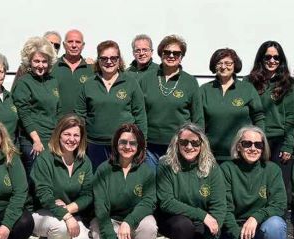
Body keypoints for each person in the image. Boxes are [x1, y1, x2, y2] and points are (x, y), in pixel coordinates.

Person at [219, 126, 289, 239]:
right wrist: (239, 238)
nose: (253, 148)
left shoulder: (272, 170)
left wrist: (256, 217)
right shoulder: (227, 169)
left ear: (264, 148)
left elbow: (280, 204)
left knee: (277, 223)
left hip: (257, 228)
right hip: (232, 229)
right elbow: (224, 209)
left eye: (258, 144)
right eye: (247, 143)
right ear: (238, 146)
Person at [155, 123, 227, 239]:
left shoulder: (212, 167)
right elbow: (166, 202)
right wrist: (202, 215)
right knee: (183, 225)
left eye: (195, 142)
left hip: (201, 223)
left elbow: (219, 207)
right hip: (172, 219)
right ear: (177, 143)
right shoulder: (165, 164)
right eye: (184, 142)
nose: (189, 146)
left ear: (202, 144)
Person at [91, 123, 158, 239]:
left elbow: (149, 202)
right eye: (123, 142)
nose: (127, 146)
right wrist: (110, 237)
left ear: (139, 146)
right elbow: (100, 206)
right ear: (116, 144)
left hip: (134, 220)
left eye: (132, 143)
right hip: (110, 220)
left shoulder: (146, 171)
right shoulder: (103, 169)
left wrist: (129, 222)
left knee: (150, 225)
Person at [29, 114, 94, 239]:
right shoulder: (45, 158)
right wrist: (67, 216)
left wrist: (68, 209)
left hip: (69, 211)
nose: (71, 139)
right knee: (60, 227)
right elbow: (44, 195)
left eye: (76, 135)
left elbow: (88, 194)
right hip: (42, 213)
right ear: (58, 134)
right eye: (67, 134)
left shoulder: (84, 161)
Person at [74, 40, 147, 168]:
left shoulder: (131, 83)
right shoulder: (89, 84)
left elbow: (140, 115)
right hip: (94, 145)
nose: (109, 62)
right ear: (98, 60)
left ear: (119, 60)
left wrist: (142, 143)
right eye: (104, 58)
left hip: (124, 144)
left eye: (113, 58)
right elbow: (79, 115)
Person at [139, 34, 202, 162]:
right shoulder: (146, 79)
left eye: (176, 53)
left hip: (180, 145)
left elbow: (198, 117)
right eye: (167, 52)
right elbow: (138, 112)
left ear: (181, 57)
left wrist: (196, 143)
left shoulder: (190, 82)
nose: (171, 56)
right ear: (160, 54)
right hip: (150, 146)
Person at [196, 48, 264, 162]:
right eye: (219, 63)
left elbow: (258, 117)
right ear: (214, 66)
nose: (223, 67)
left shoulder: (247, 89)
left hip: (241, 154)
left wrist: (259, 143)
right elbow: (199, 121)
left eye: (228, 63)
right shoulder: (204, 90)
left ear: (235, 65)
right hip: (210, 155)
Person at [246, 41, 294, 191]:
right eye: (268, 57)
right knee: (256, 182)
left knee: (279, 183)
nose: (272, 61)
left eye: (276, 57)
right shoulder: (249, 81)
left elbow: (292, 116)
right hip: (255, 140)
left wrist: (288, 145)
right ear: (261, 59)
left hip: (278, 140)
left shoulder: (287, 83)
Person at [11, 37, 60, 164]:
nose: (40, 65)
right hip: (33, 141)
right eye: (36, 61)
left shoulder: (52, 81)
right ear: (29, 62)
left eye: (44, 61)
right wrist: (36, 140)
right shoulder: (24, 82)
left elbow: (57, 110)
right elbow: (24, 113)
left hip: (52, 139)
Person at [53, 29, 90, 117]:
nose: (74, 45)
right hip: (56, 121)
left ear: (83, 45)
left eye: (78, 42)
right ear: (64, 45)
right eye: (70, 42)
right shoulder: (52, 67)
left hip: (83, 122)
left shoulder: (91, 69)